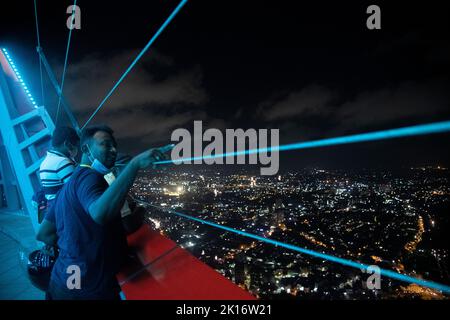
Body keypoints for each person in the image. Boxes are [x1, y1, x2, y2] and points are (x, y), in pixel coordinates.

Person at [39, 124, 167, 300]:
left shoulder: (66, 187)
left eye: (114, 145)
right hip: (89, 289)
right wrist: (134, 165)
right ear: (86, 149)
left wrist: (78, 245)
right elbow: (100, 213)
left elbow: (44, 233)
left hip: (63, 282)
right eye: (105, 144)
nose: (113, 150)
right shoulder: (90, 177)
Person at [38, 126, 79, 210]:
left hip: (53, 206)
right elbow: (76, 189)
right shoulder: (62, 162)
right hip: (65, 207)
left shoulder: (45, 161)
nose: (76, 148)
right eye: (75, 144)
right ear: (67, 144)